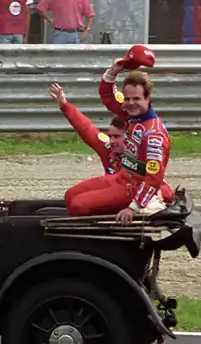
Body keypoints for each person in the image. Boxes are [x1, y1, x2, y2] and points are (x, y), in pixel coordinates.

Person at [64, 45, 172, 224]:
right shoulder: (132, 115)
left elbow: (154, 178)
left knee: (78, 206)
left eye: (136, 99)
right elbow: (108, 97)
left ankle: (149, 204)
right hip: (121, 178)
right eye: (127, 98)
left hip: (134, 188)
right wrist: (113, 72)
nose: (130, 103)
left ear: (148, 99)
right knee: (70, 196)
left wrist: (133, 208)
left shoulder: (154, 135)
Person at [48, 81, 173, 209]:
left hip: (133, 191)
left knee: (78, 205)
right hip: (115, 187)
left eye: (117, 136)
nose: (112, 141)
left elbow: (160, 183)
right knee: (70, 196)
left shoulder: (143, 146)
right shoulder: (108, 149)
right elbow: (86, 129)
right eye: (110, 136)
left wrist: (152, 197)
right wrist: (64, 105)